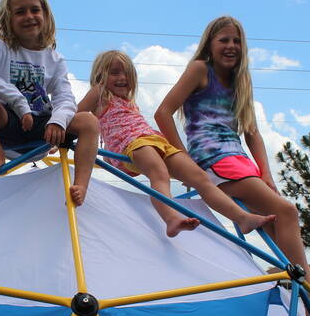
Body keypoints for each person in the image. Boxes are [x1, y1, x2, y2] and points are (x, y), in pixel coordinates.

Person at [155, 15, 310, 316]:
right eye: (224, 40)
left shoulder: (241, 81)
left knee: (278, 224)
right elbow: (163, 112)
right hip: (213, 158)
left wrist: (266, 173)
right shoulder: (201, 70)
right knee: (287, 211)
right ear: (210, 44)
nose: (231, 46)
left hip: (238, 159)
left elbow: (252, 132)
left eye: (237, 41)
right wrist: (184, 159)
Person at [79, 50, 274, 237]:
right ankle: (171, 218)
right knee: (159, 173)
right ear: (100, 77)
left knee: (200, 177)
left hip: (154, 140)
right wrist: (60, 131)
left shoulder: (130, 102)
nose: (122, 77)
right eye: (114, 73)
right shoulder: (100, 93)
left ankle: (242, 218)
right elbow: (77, 113)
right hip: (131, 143)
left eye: (127, 74)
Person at [0, 0, 99, 206]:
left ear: (45, 14)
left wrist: (57, 120)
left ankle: (81, 185)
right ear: (8, 18)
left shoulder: (54, 58)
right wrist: (19, 102)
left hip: (43, 130)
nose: (29, 16)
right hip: (8, 123)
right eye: (20, 12)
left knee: (89, 121)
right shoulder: (2, 46)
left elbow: (65, 98)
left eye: (35, 10)